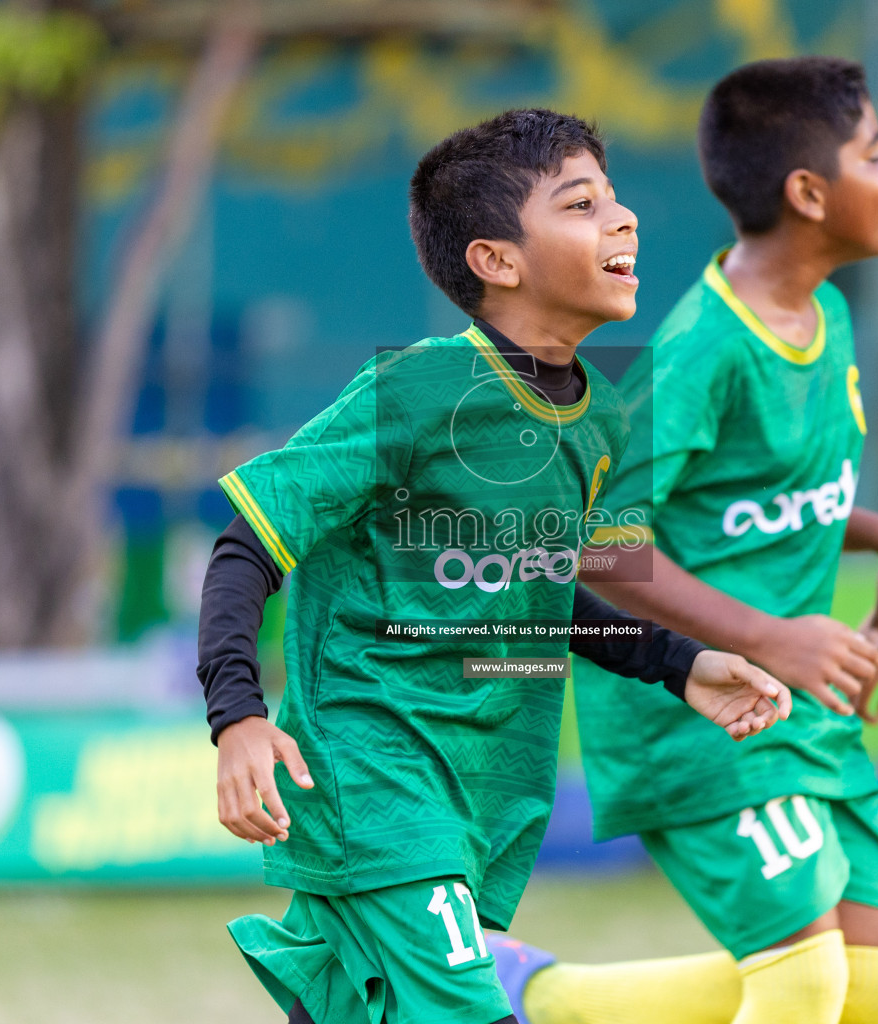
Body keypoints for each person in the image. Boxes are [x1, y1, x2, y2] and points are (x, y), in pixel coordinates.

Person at [196, 108, 792, 1024]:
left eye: (617, 199)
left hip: (485, 787)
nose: (625, 219)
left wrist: (679, 663)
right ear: (497, 260)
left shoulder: (599, 421)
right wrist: (237, 717)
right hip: (377, 775)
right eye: (582, 204)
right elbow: (250, 540)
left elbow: (540, 594)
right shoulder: (419, 390)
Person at [492, 58, 878, 1024]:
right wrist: (769, 638)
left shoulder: (828, 316)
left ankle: (535, 998)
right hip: (706, 710)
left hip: (798, 707)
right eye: (874, 153)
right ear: (809, 194)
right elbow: (600, 543)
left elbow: (760, 500)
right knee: (807, 981)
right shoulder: (703, 348)